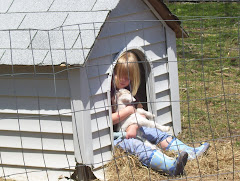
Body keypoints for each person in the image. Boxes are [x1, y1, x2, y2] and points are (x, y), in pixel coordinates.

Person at [111, 51, 210, 176]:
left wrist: (134, 126)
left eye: (128, 77)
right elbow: (107, 121)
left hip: (132, 128)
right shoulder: (107, 94)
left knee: (155, 133)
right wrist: (128, 111)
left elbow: (140, 112)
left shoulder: (129, 91)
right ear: (113, 72)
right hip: (117, 138)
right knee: (136, 145)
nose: (123, 80)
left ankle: (190, 152)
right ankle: (169, 166)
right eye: (119, 75)